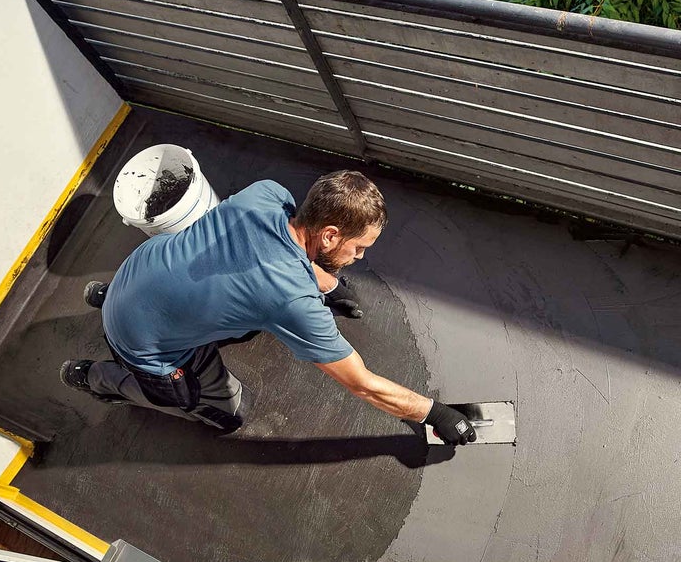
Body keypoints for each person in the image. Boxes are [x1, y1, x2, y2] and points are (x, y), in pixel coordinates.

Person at [59, 170, 477, 445]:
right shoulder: (290, 300)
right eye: (359, 248)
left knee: (241, 319)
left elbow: (274, 249)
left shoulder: (268, 193)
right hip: (139, 342)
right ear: (330, 235)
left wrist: (329, 286)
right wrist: (432, 412)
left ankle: (104, 295)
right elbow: (361, 383)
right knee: (221, 412)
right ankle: (95, 376)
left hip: (138, 271)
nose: (360, 257)